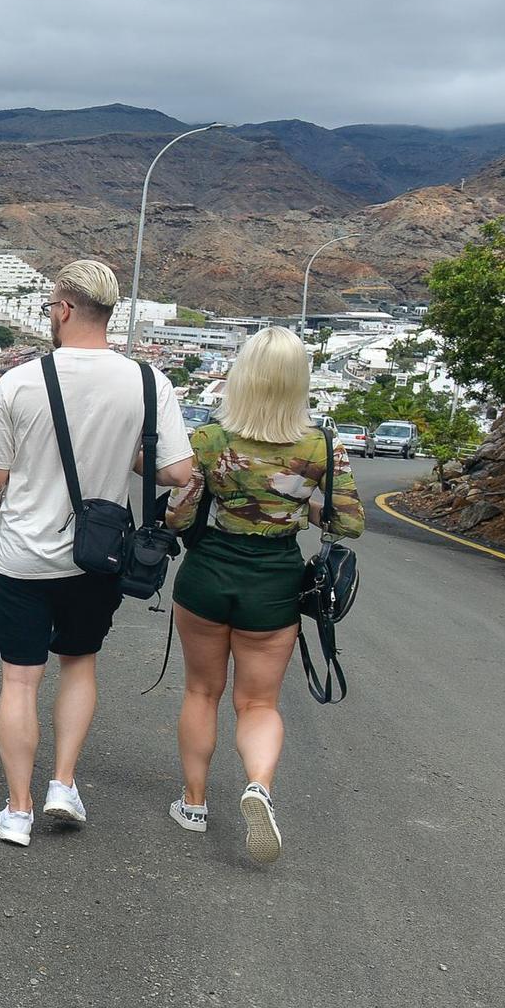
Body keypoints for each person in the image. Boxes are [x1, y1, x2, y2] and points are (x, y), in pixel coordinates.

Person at [0, 259, 192, 847]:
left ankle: (18, 810)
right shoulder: (147, 382)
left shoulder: (21, 381)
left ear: (62, 309)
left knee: (21, 681)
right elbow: (180, 472)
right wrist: (116, 459)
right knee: (79, 666)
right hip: (97, 559)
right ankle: (63, 784)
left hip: (23, 558)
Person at [164, 326, 363, 863]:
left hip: (206, 577)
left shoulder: (211, 439)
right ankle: (258, 786)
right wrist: (300, 503)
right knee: (257, 703)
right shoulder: (321, 444)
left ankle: (195, 803)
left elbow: (178, 514)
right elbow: (349, 521)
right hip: (274, 583)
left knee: (202, 693)